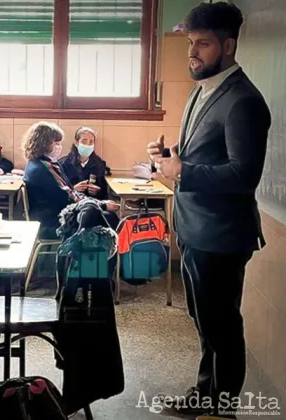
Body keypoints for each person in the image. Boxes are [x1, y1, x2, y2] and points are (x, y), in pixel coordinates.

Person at [147, 3, 271, 418]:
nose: (193, 52)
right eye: (190, 43)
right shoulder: (205, 89)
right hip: (194, 227)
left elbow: (243, 175)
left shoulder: (243, 101)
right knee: (206, 326)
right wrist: (167, 158)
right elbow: (202, 156)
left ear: (229, 45)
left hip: (220, 235)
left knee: (222, 328)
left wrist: (185, 171)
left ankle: (222, 410)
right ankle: (204, 394)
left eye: (203, 43)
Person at [22, 121, 119, 239]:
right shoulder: (45, 167)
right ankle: (109, 255)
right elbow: (67, 196)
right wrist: (102, 204)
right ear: (44, 144)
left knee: (105, 215)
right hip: (53, 221)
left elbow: (69, 192)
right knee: (109, 217)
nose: (59, 147)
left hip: (52, 214)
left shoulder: (37, 163)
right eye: (56, 143)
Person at [59, 126, 110, 200]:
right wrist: (73, 189)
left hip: (93, 203)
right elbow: (58, 191)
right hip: (71, 204)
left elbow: (104, 192)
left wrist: (97, 191)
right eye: (84, 141)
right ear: (76, 143)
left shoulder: (99, 164)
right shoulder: (63, 164)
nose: (88, 145)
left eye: (91, 142)